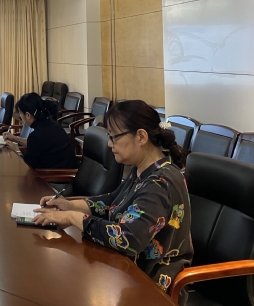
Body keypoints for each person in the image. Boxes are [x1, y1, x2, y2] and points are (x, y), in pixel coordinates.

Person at [32, 100, 193, 297]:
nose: (109, 144)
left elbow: (128, 238)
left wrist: (72, 217)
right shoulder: (144, 169)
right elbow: (113, 201)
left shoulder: (160, 183)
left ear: (141, 137)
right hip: (126, 270)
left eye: (114, 137)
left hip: (152, 286)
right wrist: (68, 205)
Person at [2, 93, 78, 169]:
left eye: (20, 112)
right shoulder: (50, 124)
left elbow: (28, 167)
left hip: (58, 174)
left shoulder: (37, 135)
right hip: (64, 170)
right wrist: (15, 139)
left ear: (28, 115)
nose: (20, 116)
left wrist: (16, 150)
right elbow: (36, 144)